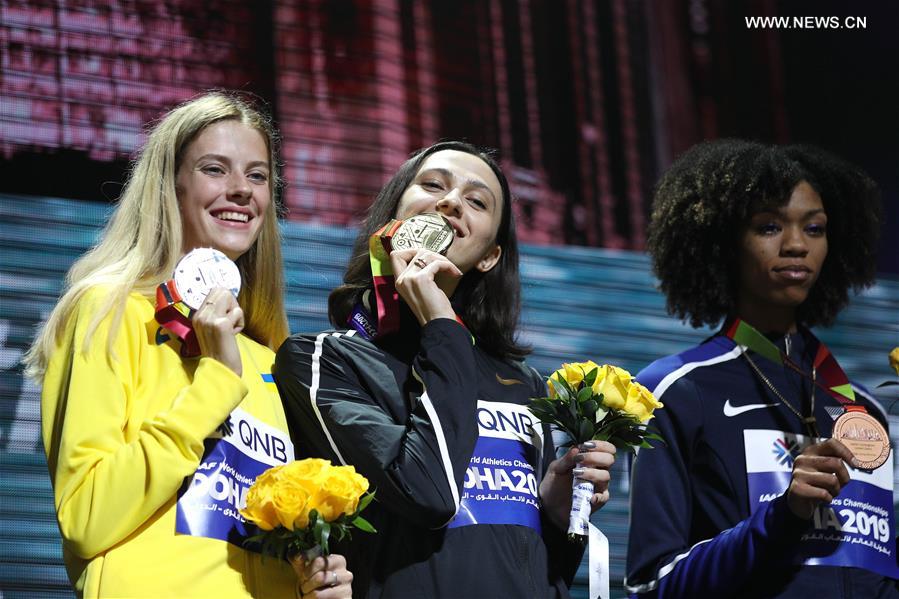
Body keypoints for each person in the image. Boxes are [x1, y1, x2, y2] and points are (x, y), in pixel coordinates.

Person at [24, 92, 352, 598]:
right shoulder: (107, 312)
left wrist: (309, 581)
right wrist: (216, 381)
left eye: (258, 176)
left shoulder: (268, 360)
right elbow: (87, 517)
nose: (241, 190)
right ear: (170, 185)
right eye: (215, 169)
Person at [274, 140, 617, 598]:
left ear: (490, 255)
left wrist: (554, 513)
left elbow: (536, 569)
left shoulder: (524, 384)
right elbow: (426, 494)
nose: (451, 201)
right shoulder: (324, 361)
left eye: (477, 201)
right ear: (391, 219)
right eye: (433, 185)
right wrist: (440, 322)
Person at [625, 139, 897, 597]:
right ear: (723, 242)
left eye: (815, 228)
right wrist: (781, 517)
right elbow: (651, 584)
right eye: (769, 227)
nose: (796, 245)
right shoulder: (672, 390)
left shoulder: (863, 407)